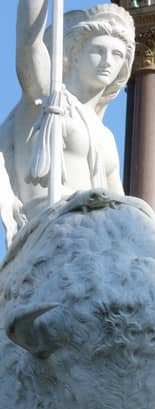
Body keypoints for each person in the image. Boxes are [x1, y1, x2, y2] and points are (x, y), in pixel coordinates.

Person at [0, 1, 132, 240]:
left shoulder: (105, 137)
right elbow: (29, 42)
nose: (107, 61)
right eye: (98, 50)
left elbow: (121, 208)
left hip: (98, 235)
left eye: (117, 54)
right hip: (51, 229)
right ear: (73, 55)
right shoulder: (46, 101)